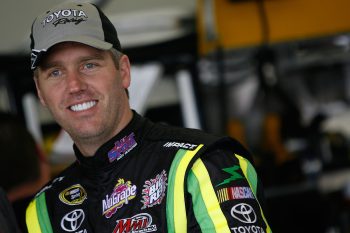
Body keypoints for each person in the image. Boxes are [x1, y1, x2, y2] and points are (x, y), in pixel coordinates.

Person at [26, 1, 272, 232]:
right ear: (41, 93)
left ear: (123, 71)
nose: (74, 85)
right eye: (55, 72)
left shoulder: (202, 164)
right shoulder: (45, 209)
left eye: (89, 65)